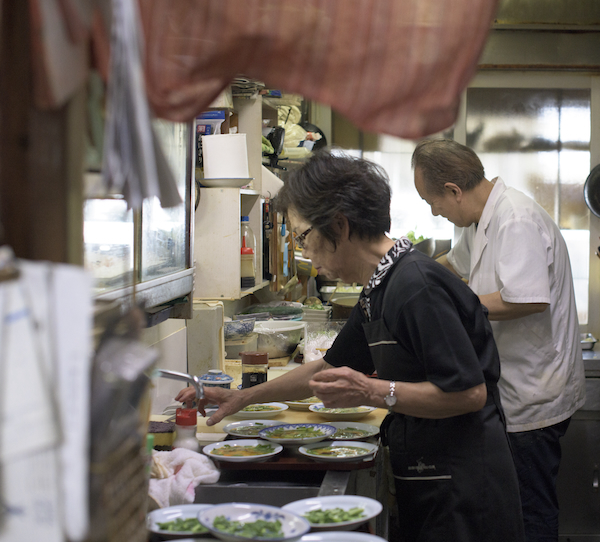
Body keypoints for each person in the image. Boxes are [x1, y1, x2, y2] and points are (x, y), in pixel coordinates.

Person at [176, 151, 524, 542]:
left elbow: (469, 393)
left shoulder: (416, 287)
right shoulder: (381, 286)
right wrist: (243, 397)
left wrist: (372, 391)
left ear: (339, 226)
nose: (305, 252)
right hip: (432, 473)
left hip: (465, 487)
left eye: (305, 237)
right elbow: (326, 368)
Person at [411, 138, 586, 542]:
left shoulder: (515, 219)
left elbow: (525, 300)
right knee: (512, 509)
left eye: (432, 201)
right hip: (512, 388)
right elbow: (452, 266)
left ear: (453, 191)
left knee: (529, 511)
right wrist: (408, 274)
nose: (434, 211)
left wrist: (454, 305)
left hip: (532, 394)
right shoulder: (482, 220)